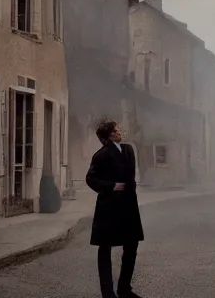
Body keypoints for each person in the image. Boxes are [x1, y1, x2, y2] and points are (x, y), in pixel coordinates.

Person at [86, 119, 144, 298]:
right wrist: (112, 186)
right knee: (105, 248)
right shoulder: (100, 155)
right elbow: (91, 179)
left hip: (128, 205)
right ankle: (107, 293)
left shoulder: (128, 150)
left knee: (131, 245)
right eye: (117, 130)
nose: (120, 132)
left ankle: (124, 289)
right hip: (108, 208)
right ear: (111, 135)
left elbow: (130, 175)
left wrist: (128, 188)